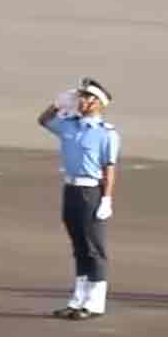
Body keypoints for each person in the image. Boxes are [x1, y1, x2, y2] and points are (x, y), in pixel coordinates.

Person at [38, 78, 121, 320]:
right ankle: (77, 300)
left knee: (93, 248)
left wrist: (107, 199)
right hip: (71, 189)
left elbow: (109, 168)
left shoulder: (107, 134)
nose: (81, 101)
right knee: (79, 247)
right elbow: (43, 121)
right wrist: (56, 104)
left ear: (98, 103)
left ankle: (95, 303)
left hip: (90, 191)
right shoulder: (69, 125)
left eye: (87, 98)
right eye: (81, 97)